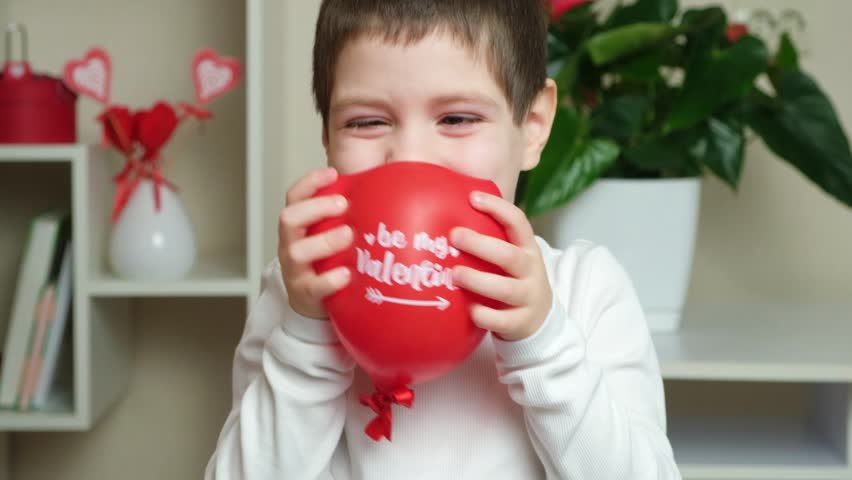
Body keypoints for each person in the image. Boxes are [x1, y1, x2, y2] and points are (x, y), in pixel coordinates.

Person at [205, 0, 681, 478]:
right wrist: (306, 336)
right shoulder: (299, 293)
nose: (410, 157)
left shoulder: (586, 289)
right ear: (327, 137)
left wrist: (543, 344)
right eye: (366, 121)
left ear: (533, 127)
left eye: (456, 119)